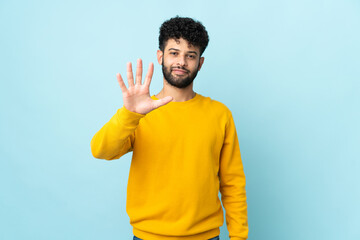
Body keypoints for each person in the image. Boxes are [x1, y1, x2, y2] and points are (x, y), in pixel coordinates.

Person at [91, 16, 248, 240]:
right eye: (174, 53)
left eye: (190, 55)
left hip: (205, 236)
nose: (181, 62)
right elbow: (100, 150)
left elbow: (233, 183)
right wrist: (130, 114)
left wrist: (239, 236)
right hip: (148, 236)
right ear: (160, 56)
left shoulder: (220, 114)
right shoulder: (139, 113)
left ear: (200, 63)